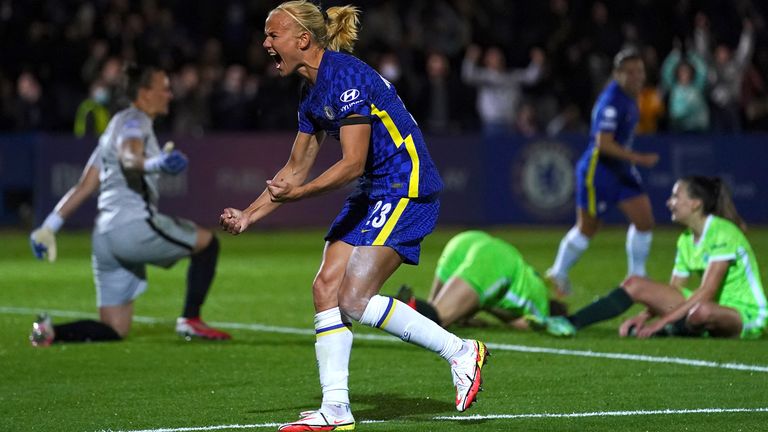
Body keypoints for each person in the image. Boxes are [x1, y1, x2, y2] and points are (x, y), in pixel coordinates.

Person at [218, 2, 488, 430]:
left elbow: (352, 163)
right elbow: (293, 170)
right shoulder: (311, 94)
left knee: (354, 298)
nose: (265, 43)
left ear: (302, 40)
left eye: (273, 35)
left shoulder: (345, 76)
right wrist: (250, 215)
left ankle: (460, 351)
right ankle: (336, 409)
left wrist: (301, 194)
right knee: (326, 286)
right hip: (374, 190)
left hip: (404, 185)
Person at [29, 64, 231, 346]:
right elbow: (129, 157)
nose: (169, 94)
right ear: (145, 93)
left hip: (104, 238)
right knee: (208, 244)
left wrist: (49, 226)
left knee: (115, 327)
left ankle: (51, 333)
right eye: (164, 88)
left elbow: (85, 185)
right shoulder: (136, 121)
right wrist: (156, 163)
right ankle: (191, 320)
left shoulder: (114, 125)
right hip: (133, 227)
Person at [539, 176, 766, 339]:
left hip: (745, 314)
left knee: (702, 311)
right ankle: (570, 323)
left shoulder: (722, 233)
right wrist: (644, 316)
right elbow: (673, 291)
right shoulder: (686, 239)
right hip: (705, 307)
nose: (670, 202)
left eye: (676, 197)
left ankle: (677, 328)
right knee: (635, 284)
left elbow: (707, 291)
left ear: (696, 203)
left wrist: (661, 323)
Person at [546, 48, 660, 296]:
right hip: (598, 171)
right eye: (629, 72)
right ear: (617, 74)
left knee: (644, 220)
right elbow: (603, 144)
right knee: (587, 228)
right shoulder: (611, 101)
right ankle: (557, 273)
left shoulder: (632, 97)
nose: (636, 76)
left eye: (639, 71)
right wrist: (637, 158)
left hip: (620, 169)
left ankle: (637, 276)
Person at [395, 230, 572, 336]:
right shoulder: (539, 306)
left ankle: (383, 303)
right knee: (437, 320)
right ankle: (397, 304)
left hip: (467, 241)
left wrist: (467, 311)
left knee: (431, 311)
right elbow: (524, 324)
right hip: (495, 261)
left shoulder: (533, 282)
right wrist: (479, 305)